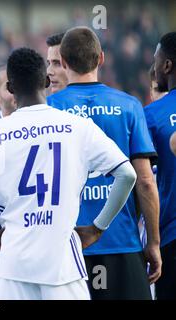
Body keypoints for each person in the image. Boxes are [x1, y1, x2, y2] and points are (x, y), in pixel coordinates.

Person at [0, 47, 137, 300]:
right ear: (47, 81)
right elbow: (127, 175)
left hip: (13, 268)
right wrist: (98, 227)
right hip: (63, 269)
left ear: (10, 87)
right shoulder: (78, 127)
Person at [47, 26, 161, 300]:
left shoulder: (48, 109)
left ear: (63, 62)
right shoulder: (129, 105)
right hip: (122, 242)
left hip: (67, 249)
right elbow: (145, 181)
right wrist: (154, 243)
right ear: (101, 59)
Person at [144, 32, 176, 299]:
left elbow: (142, 180)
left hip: (170, 237)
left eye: (156, 60)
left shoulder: (152, 115)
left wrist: (150, 241)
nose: (154, 68)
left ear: (167, 65)